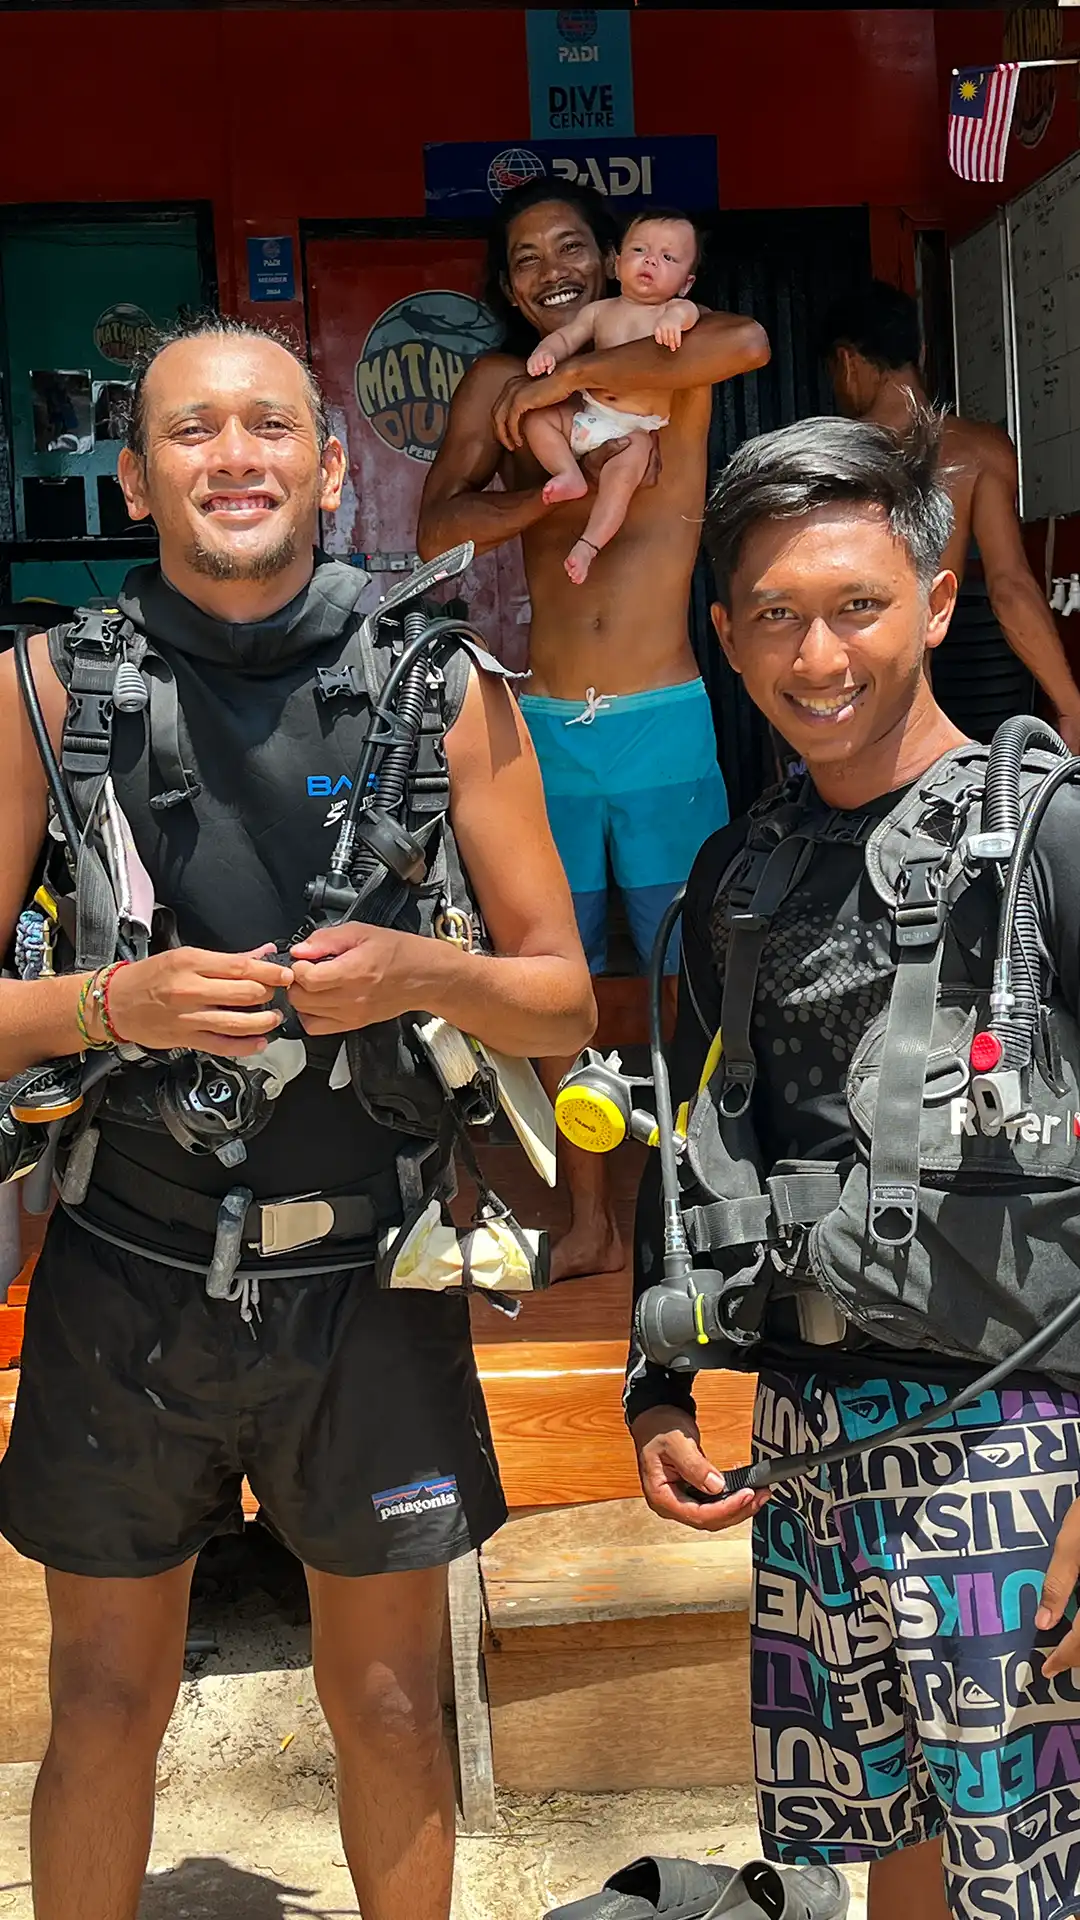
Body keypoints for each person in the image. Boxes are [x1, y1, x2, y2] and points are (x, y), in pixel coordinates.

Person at [0, 316, 595, 1920]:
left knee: (394, 1702)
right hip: (127, 1271)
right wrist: (116, 1006)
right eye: (192, 434)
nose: (234, 458)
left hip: (373, 1280)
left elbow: (561, 1000)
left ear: (336, 469)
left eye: (270, 426)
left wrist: (420, 967)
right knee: (106, 1703)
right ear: (132, 476)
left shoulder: (443, 686)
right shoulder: (43, 691)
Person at [629, 415, 1080, 1920]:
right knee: (887, 1857)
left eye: (859, 606)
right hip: (812, 1453)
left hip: (1017, 1444)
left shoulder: (1051, 843)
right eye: (776, 616)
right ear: (727, 638)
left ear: (939, 603)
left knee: (1035, 1876)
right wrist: (657, 1382)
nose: (818, 654)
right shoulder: (739, 874)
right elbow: (692, 1124)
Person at [418, 180, 769, 1282]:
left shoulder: (681, 339)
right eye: (525, 257)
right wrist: (537, 500)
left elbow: (749, 344)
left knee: (698, 979)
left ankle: (702, 1213)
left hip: (665, 714)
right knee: (552, 980)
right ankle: (591, 1220)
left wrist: (569, 379)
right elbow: (437, 521)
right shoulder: (492, 384)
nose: (552, 269)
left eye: (571, 245)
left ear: (615, 256)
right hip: (549, 730)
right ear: (504, 280)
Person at [820, 278, 1080, 753]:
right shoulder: (980, 452)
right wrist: (1070, 706)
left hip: (832, 699)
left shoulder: (825, 459)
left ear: (847, 361)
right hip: (916, 717)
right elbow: (1012, 590)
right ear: (918, 349)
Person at [522, 209, 700, 584]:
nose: (651, 259)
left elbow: (690, 316)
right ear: (617, 266)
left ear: (686, 283)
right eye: (639, 250)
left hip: (635, 429)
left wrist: (673, 322)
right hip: (590, 413)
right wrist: (547, 351)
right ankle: (568, 473)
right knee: (537, 419)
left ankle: (588, 544)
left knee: (622, 478)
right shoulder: (598, 312)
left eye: (668, 257)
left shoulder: (675, 309)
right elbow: (567, 338)